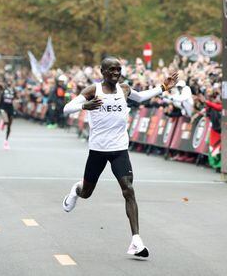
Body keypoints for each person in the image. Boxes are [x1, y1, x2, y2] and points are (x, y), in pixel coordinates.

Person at [62, 56, 178, 258]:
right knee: (87, 192)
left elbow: (140, 97)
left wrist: (163, 87)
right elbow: (66, 108)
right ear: (103, 72)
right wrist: (84, 106)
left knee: (129, 189)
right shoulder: (93, 91)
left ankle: (136, 241)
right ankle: (76, 189)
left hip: (119, 149)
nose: (116, 73)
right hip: (98, 150)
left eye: (118, 69)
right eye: (112, 70)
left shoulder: (124, 89)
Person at [0, 70, 17, 150]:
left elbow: (16, 98)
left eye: (11, 81)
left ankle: (6, 141)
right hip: (3, 107)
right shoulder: (3, 87)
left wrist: (17, 101)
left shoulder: (14, 90)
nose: (9, 82)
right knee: (6, 121)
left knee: (9, 126)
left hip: (10, 108)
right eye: (8, 81)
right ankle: (3, 121)